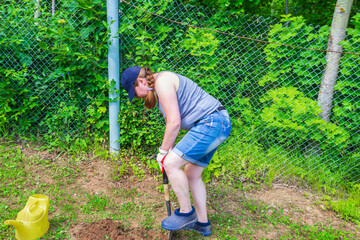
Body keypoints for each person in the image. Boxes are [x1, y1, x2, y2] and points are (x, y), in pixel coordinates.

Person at [120, 66, 231, 237]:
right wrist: (167, 150)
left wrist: (163, 153)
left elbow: (174, 123)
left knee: (171, 163)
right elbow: (170, 126)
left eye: (133, 91)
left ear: (140, 82)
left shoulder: (163, 82)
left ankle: (186, 212)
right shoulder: (158, 90)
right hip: (216, 124)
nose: (135, 96)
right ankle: (202, 224)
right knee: (192, 173)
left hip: (211, 123)